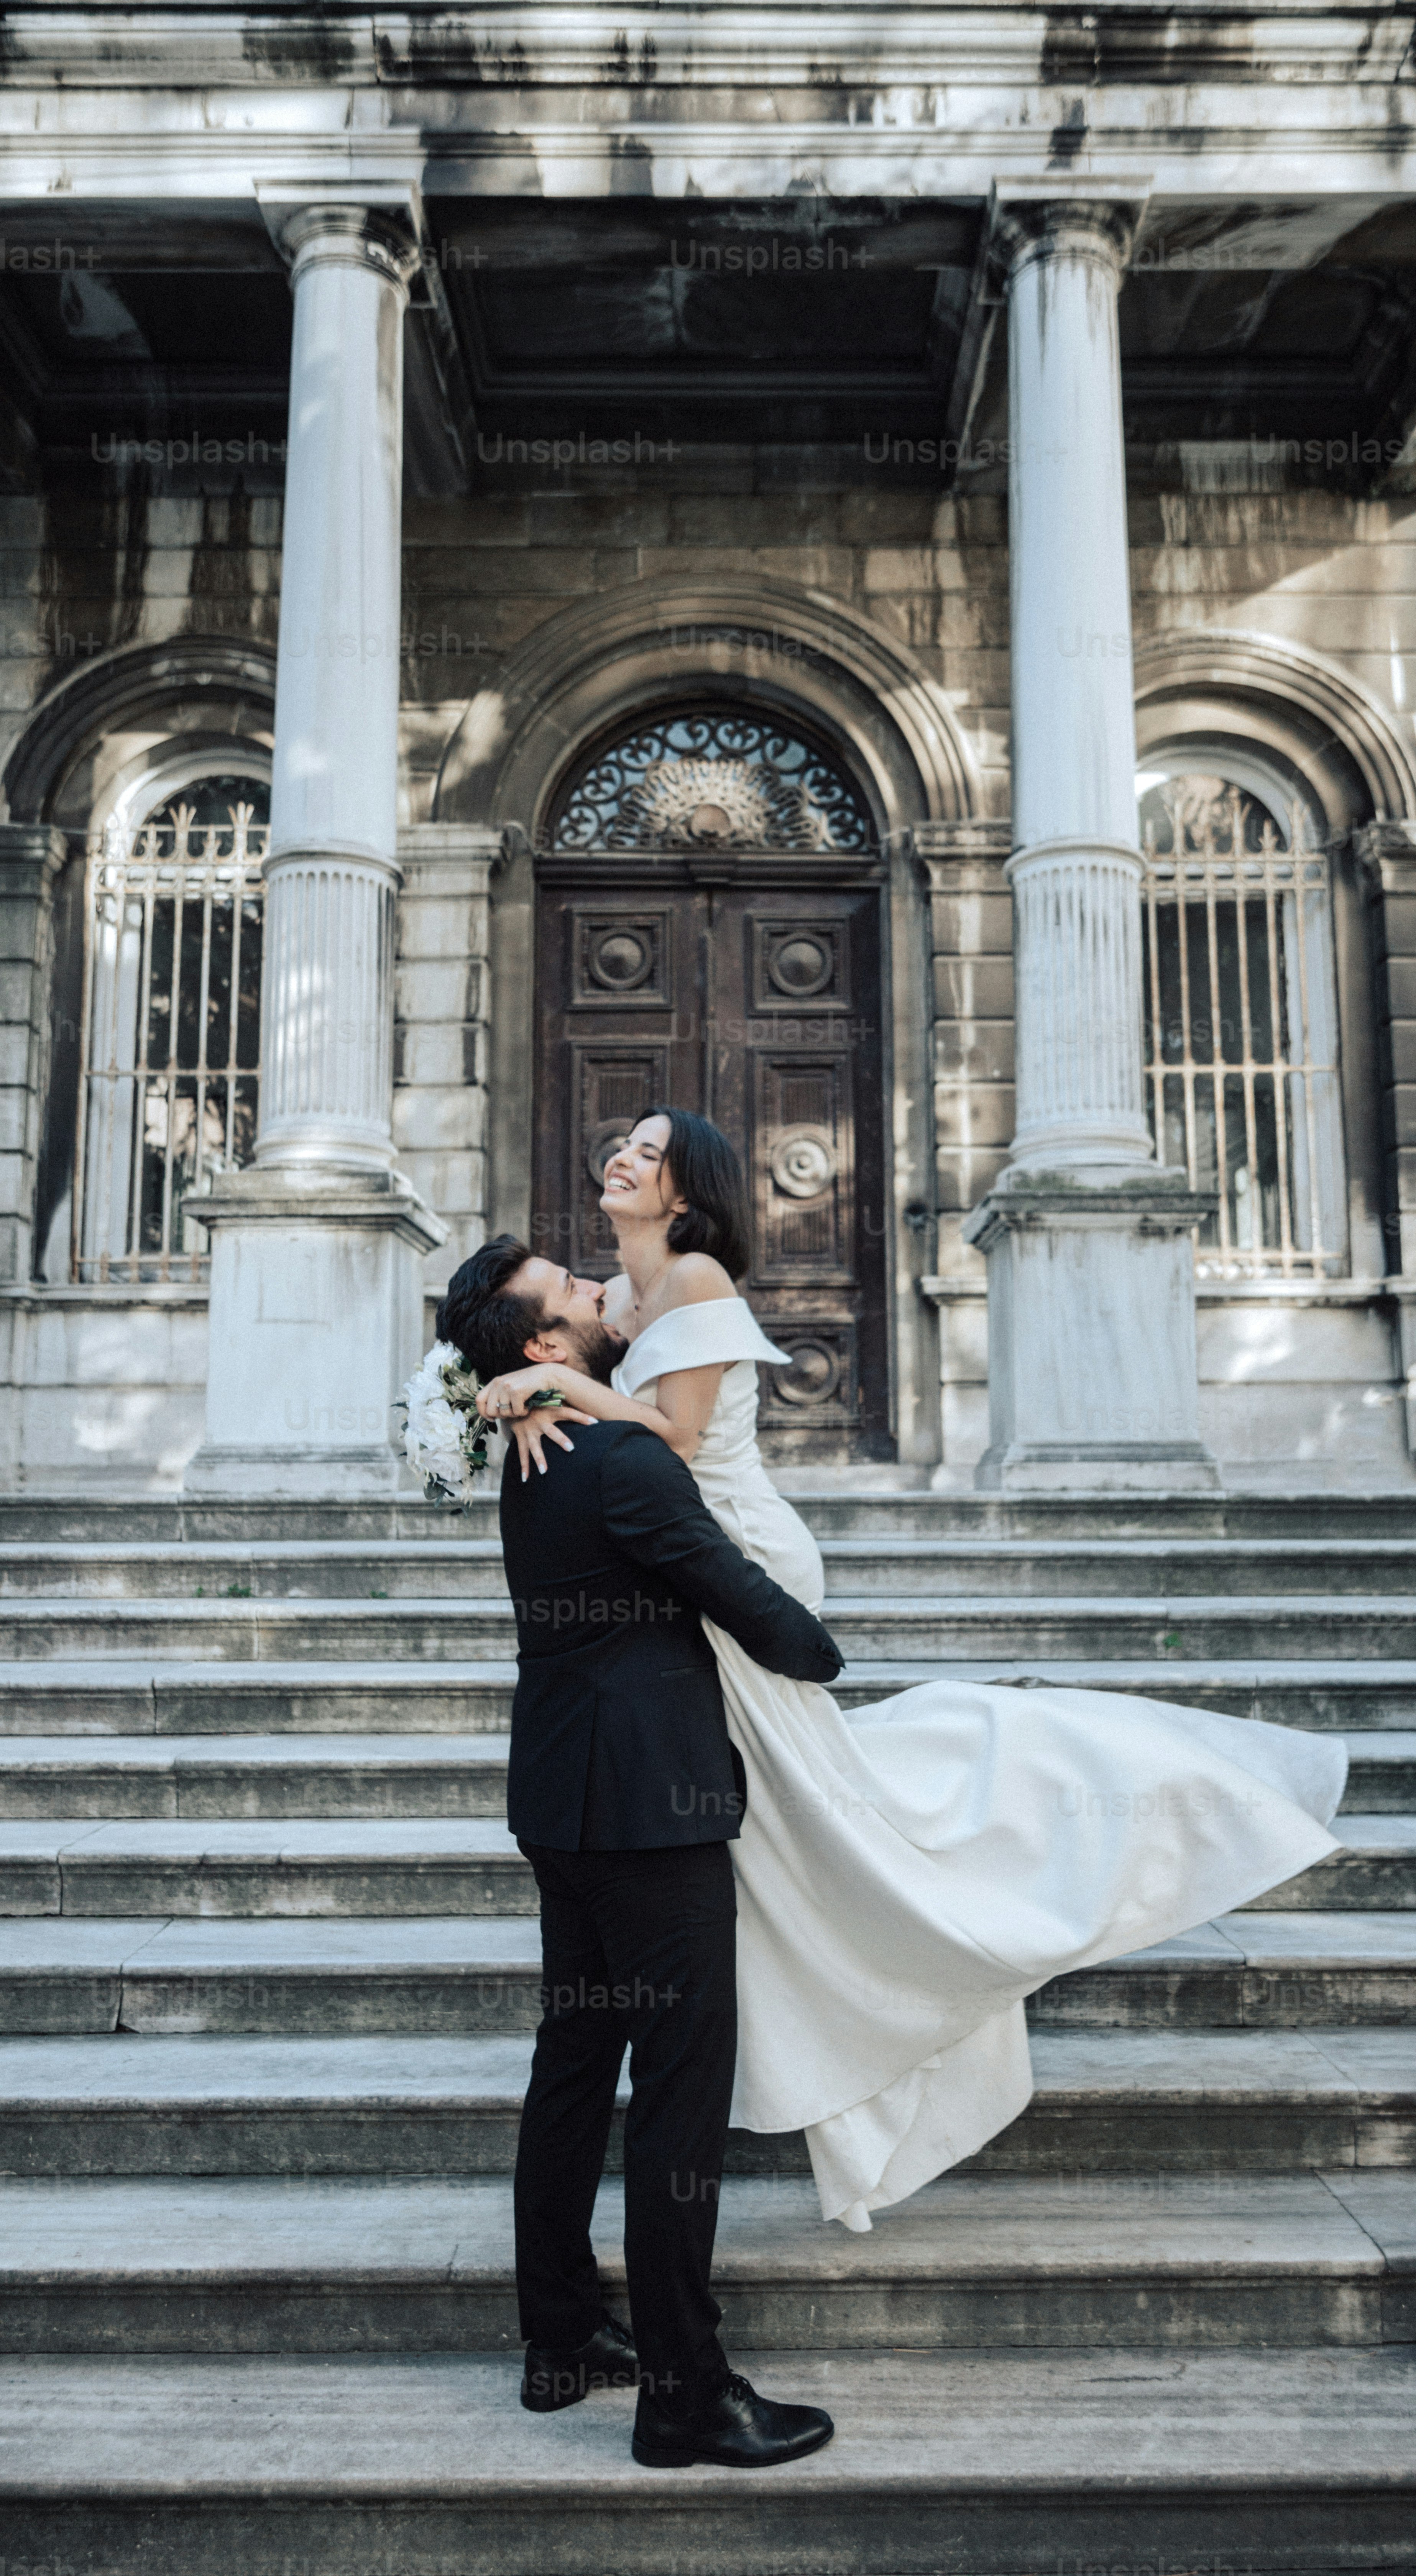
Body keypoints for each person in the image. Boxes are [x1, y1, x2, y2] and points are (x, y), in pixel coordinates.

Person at [464, 1107, 1349, 2237]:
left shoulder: (692, 1280)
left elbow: (667, 1444)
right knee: (791, 1818)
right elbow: (539, 1348)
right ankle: (827, 1972)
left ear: (687, 1196)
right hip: (662, 1578)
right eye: (624, 1145)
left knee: (812, 1809)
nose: (622, 1157)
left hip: (735, 1555)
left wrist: (564, 1393)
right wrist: (506, 1389)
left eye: (650, 1151)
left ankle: (931, 1932)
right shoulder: (619, 1297)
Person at [436, 1240, 841, 2472]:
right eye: (574, 1296)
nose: (602, 1295)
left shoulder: (537, 1444)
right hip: (650, 1815)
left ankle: (560, 2342)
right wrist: (822, 1655)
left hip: (563, 1800)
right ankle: (683, 2392)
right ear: (550, 1349)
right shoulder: (610, 1452)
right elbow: (731, 1590)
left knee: (574, 2065)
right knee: (676, 2096)